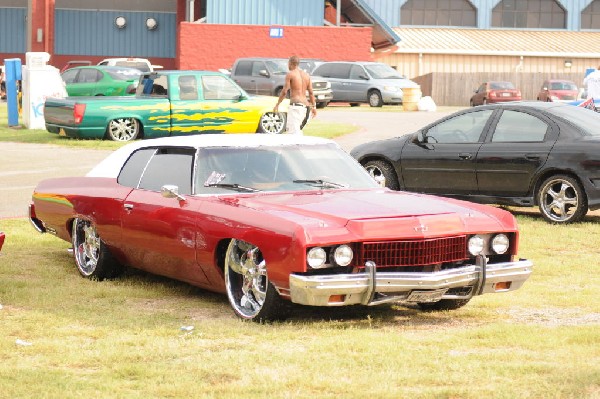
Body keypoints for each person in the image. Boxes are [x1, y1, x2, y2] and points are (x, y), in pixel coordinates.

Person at [274, 55, 317, 135]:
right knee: (298, 132)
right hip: (306, 109)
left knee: (293, 134)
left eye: (288, 63)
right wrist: (314, 107)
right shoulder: (306, 75)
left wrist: (277, 104)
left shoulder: (290, 74)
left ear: (291, 63)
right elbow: (311, 93)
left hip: (295, 108)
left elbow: (284, 91)